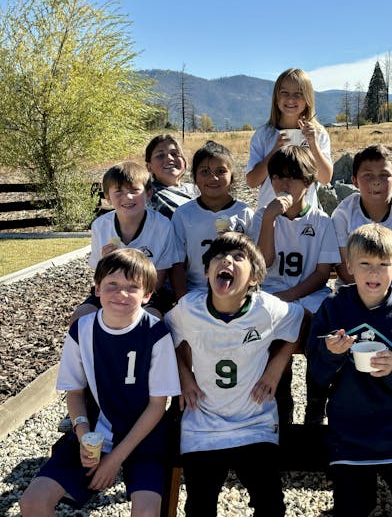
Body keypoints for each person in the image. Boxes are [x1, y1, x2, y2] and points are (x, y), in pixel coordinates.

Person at [20, 249, 181, 517]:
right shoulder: (81, 330)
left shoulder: (156, 332)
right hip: (96, 430)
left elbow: (157, 406)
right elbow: (74, 393)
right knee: (33, 502)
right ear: (97, 289)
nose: (121, 294)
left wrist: (114, 460)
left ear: (148, 295)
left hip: (143, 436)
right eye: (112, 285)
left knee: (147, 512)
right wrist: (83, 437)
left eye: (132, 287)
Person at [164, 232, 308, 517]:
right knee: (199, 506)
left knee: (271, 506)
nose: (226, 260)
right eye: (218, 257)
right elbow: (164, 337)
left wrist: (277, 366)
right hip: (203, 425)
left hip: (254, 424)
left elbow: (301, 319)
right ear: (206, 272)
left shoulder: (267, 308)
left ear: (254, 278)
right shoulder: (189, 309)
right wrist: (184, 375)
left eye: (238, 257)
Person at [307, 223, 392, 517]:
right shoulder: (333, 308)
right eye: (364, 264)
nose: (374, 273)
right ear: (349, 265)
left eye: (383, 264)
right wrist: (331, 354)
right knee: (352, 508)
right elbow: (316, 374)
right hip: (349, 435)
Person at [248, 145, 340, 426]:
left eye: (292, 177)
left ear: (309, 182)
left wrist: (290, 295)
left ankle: (316, 402)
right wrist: (268, 220)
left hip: (308, 293)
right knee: (269, 325)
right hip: (271, 292)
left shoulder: (322, 222)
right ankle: (282, 404)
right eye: (277, 177)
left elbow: (322, 274)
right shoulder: (262, 216)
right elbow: (261, 263)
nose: (283, 184)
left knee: (319, 327)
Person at [70, 161, 181, 323]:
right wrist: (105, 262)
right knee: (79, 318)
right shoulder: (100, 226)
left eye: (134, 190)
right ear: (107, 197)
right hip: (111, 291)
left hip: (148, 292)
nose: (127, 197)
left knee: (152, 321)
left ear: (148, 193)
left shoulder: (162, 225)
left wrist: (132, 301)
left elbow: (160, 276)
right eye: (118, 192)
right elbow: (98, 277)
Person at [332, 145, 392, 297]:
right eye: (368, 175)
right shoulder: (343, 215)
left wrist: (388, 298)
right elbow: (343, 265)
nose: (376, 181)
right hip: (353, 289)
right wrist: (367, 296)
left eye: (384, 175)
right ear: (355, 181)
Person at [171, 140, 254, 298]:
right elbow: (177, 263)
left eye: (221, 171)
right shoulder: (183, 214)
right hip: (196, 291)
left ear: (232, 176)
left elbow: (254, 259)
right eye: (204, 171)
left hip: (236, 293)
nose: (213, 178)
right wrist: (183, 299)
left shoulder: (244, 212)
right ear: (194, 177)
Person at [246, 68, 333, 209]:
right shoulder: (264, 135)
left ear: (308, 98)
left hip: (305, 219)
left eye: (298, 94)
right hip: (269, 215)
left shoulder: (318, 133)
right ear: (276, 98)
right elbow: (252, 181)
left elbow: (325, 178)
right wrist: (274, 151)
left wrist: (313, 144)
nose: (291, 99)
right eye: (284, 93)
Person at [144, 133, 198, 219]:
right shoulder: (151, 196)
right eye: (160, 155)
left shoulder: (196, 188)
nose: (169, 158)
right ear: (149, 167)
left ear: (184, 161)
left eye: (174, 154)